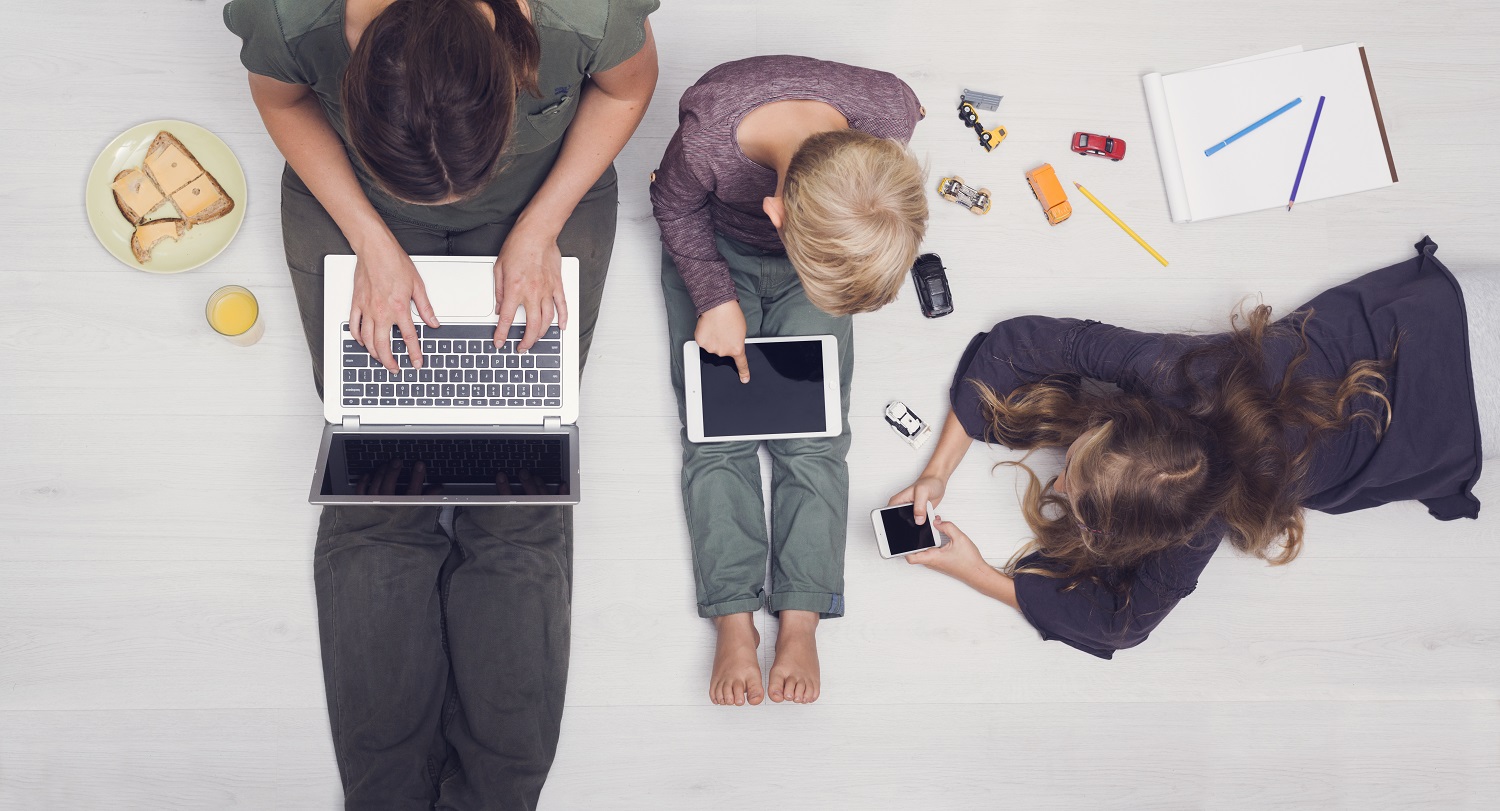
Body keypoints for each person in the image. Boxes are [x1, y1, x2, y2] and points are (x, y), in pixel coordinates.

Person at [224, 0, 657, 805]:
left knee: (520, 493)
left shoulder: (583, 15)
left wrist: (539, 225)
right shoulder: (290, 17)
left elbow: (628, 91)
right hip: (360, 205)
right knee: (382, 493)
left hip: (545, 197)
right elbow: (280, 99)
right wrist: (371, 237)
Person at [890, 238, 1492, 659]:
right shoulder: (1180, 373)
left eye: (1069, 479)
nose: (1056, 484)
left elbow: (1119, 627)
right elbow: (1021, 344)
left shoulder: (1201, 516)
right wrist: (939, 471)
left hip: (1463, 410)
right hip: (1449, 315)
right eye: (1074, 465)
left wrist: (975, 573)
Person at [650, 55, 928, 706]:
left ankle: (801, 614)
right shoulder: (708, 133)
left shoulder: (889, 110)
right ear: (775, 211)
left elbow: (911, 110)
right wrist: (715, 299)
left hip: (826, 252)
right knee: (716, 437)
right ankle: (734, 616)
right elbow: (673, 207)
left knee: (816, 436)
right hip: (716, 251)